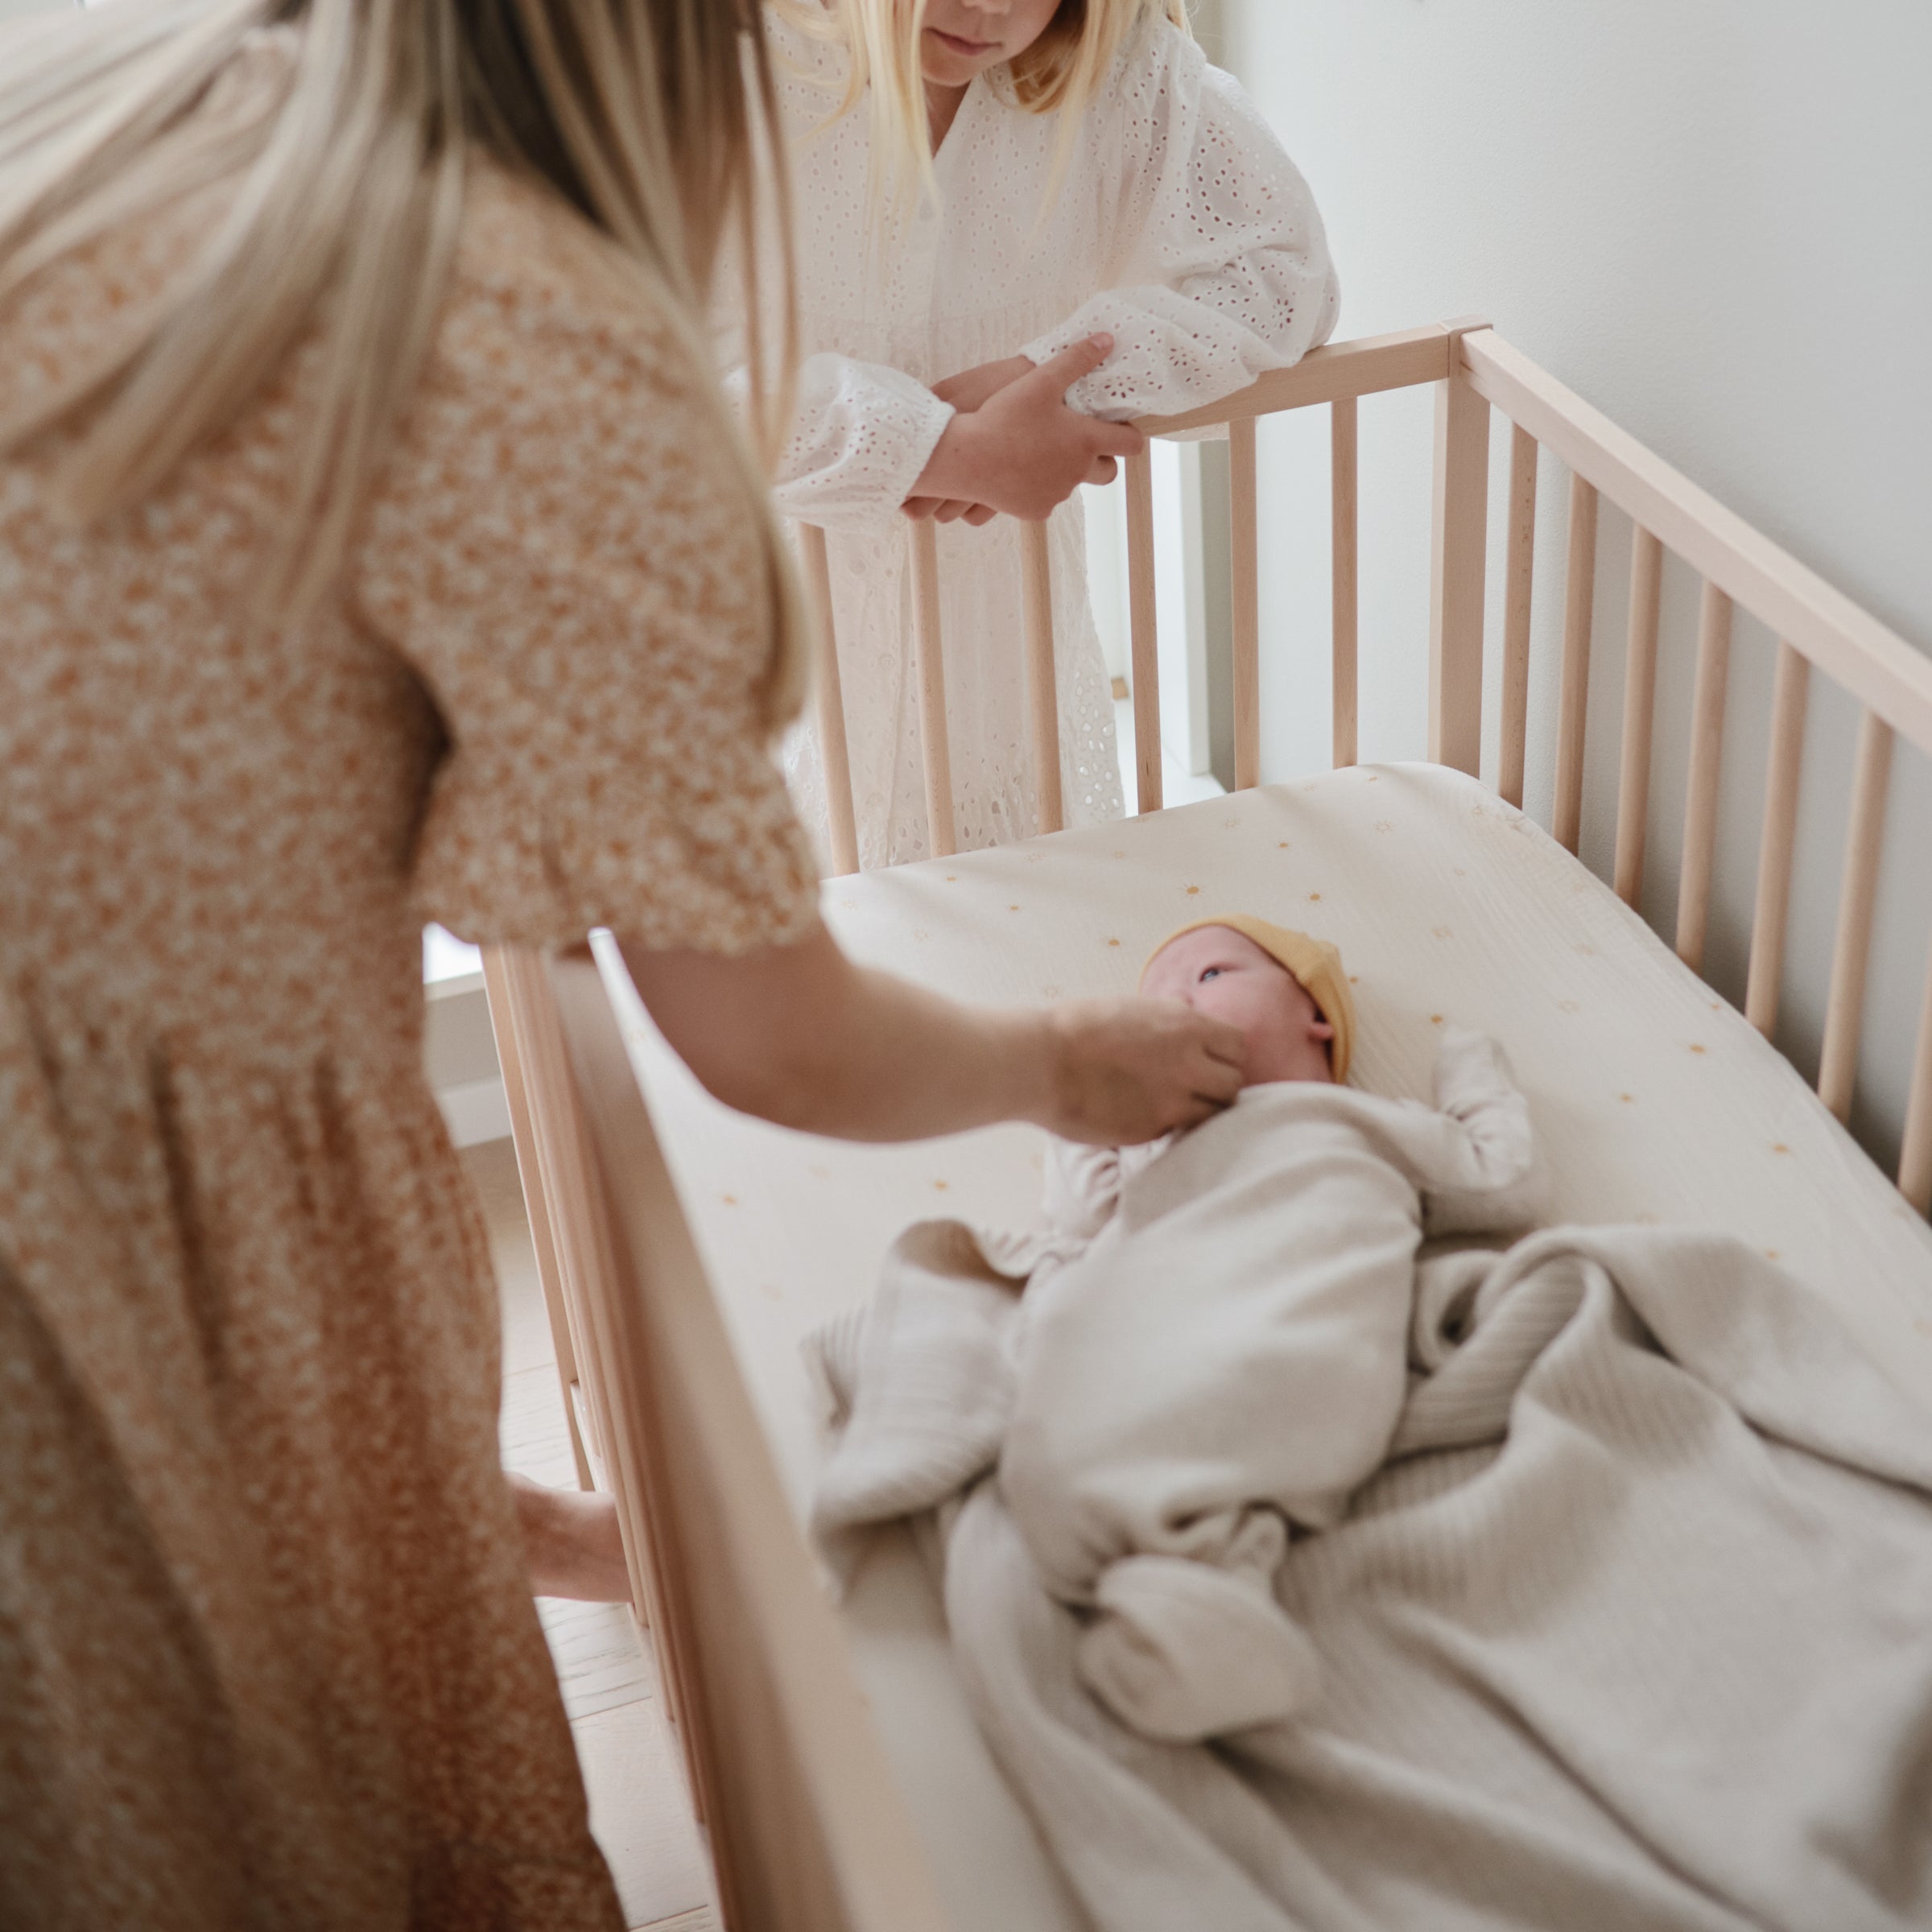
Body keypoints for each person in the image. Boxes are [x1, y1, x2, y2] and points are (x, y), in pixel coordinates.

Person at [0, 0, 1249, 1922]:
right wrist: (1067, 1058)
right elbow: (775, 1034)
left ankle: (553, 1538)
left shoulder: (147, 94)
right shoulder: (539, 331)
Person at [726, 0, 1340, 867]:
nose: (992, 8)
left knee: (1026, 924)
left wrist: (1056, 376)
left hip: (1009, 686)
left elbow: (1286, 277)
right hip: (764, 681)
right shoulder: (728, 58)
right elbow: (638, 371)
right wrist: (941, 448)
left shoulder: (1119, 70)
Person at [999, 919, 1545, 1741]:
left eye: (1211, 975)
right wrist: (1084, 1098)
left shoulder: (1364, 1121)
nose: (1177, 1001)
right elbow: (1082, 1222)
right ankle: (1152, 1567)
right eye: (1153, 1003)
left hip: (1306, 1315)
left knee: (1273, 1411)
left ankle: (1216, 1590)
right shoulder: (1153, 1147)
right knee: (1077, 1380)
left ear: (1313, 1020)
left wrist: (1471, 1071)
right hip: (1159, 1309)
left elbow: (1506, 1179)